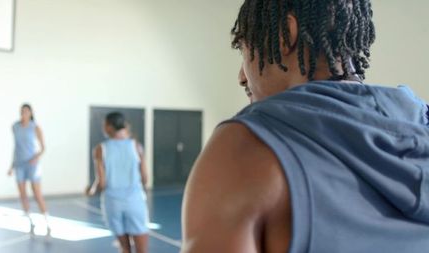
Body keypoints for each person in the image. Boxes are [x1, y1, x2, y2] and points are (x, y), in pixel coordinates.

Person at [182, 1, 429, 252]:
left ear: (284, 35)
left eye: (245, 49)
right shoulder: (422, 122)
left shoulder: (246, 148)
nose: (242, 76)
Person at [93, 112, 149, 253]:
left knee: (125, 248)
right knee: (142, 250)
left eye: (104, 125)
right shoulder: (136, 146)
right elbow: (145, 178)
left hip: (112, 203)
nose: (103, 128)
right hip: (135, 201)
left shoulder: (101, 149)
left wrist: (91, 190)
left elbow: (102, 183)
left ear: (110, 127)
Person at [7, 104, 50, 236]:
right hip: (19, 164)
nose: (24, 113)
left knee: (37, 193)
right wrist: (11, 166)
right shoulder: (15, 127)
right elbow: (16, 147)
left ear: (31, 113)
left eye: (26, 111)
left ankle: (47, 222)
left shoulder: (36, 127)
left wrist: (35, 157)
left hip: (32, 165)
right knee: (23, 194)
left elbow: (43, 148)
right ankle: (31, 222)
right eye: (22, 111)